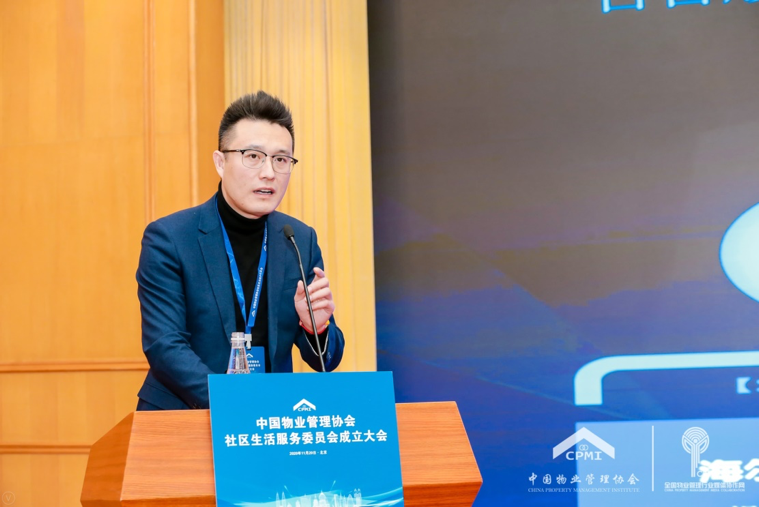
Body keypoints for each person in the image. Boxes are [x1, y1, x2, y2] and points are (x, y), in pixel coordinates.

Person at [135, 91, 345, 410]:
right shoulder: (170, 238)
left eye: (281, 159)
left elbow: (326, 360)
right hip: (184, 415)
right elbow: (165, 346)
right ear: (221, 162)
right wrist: (235, 406)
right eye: (253, 156)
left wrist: (315, 326)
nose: (269, 172)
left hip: (267, 419)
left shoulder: (298, 239)